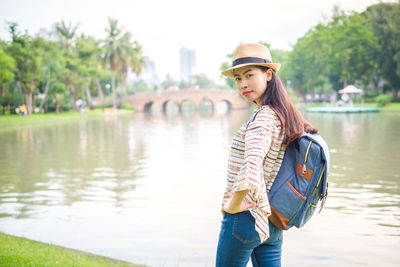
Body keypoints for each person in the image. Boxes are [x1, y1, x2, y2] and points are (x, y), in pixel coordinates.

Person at [216, 43, 318, 267]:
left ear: (268, 74)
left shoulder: (263, 118)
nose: (243, 84)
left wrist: (232, 208)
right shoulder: (284, 116)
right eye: (237, 78)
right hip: (271, 220)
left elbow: (251, 166)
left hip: (246, 217)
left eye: (249, 75)